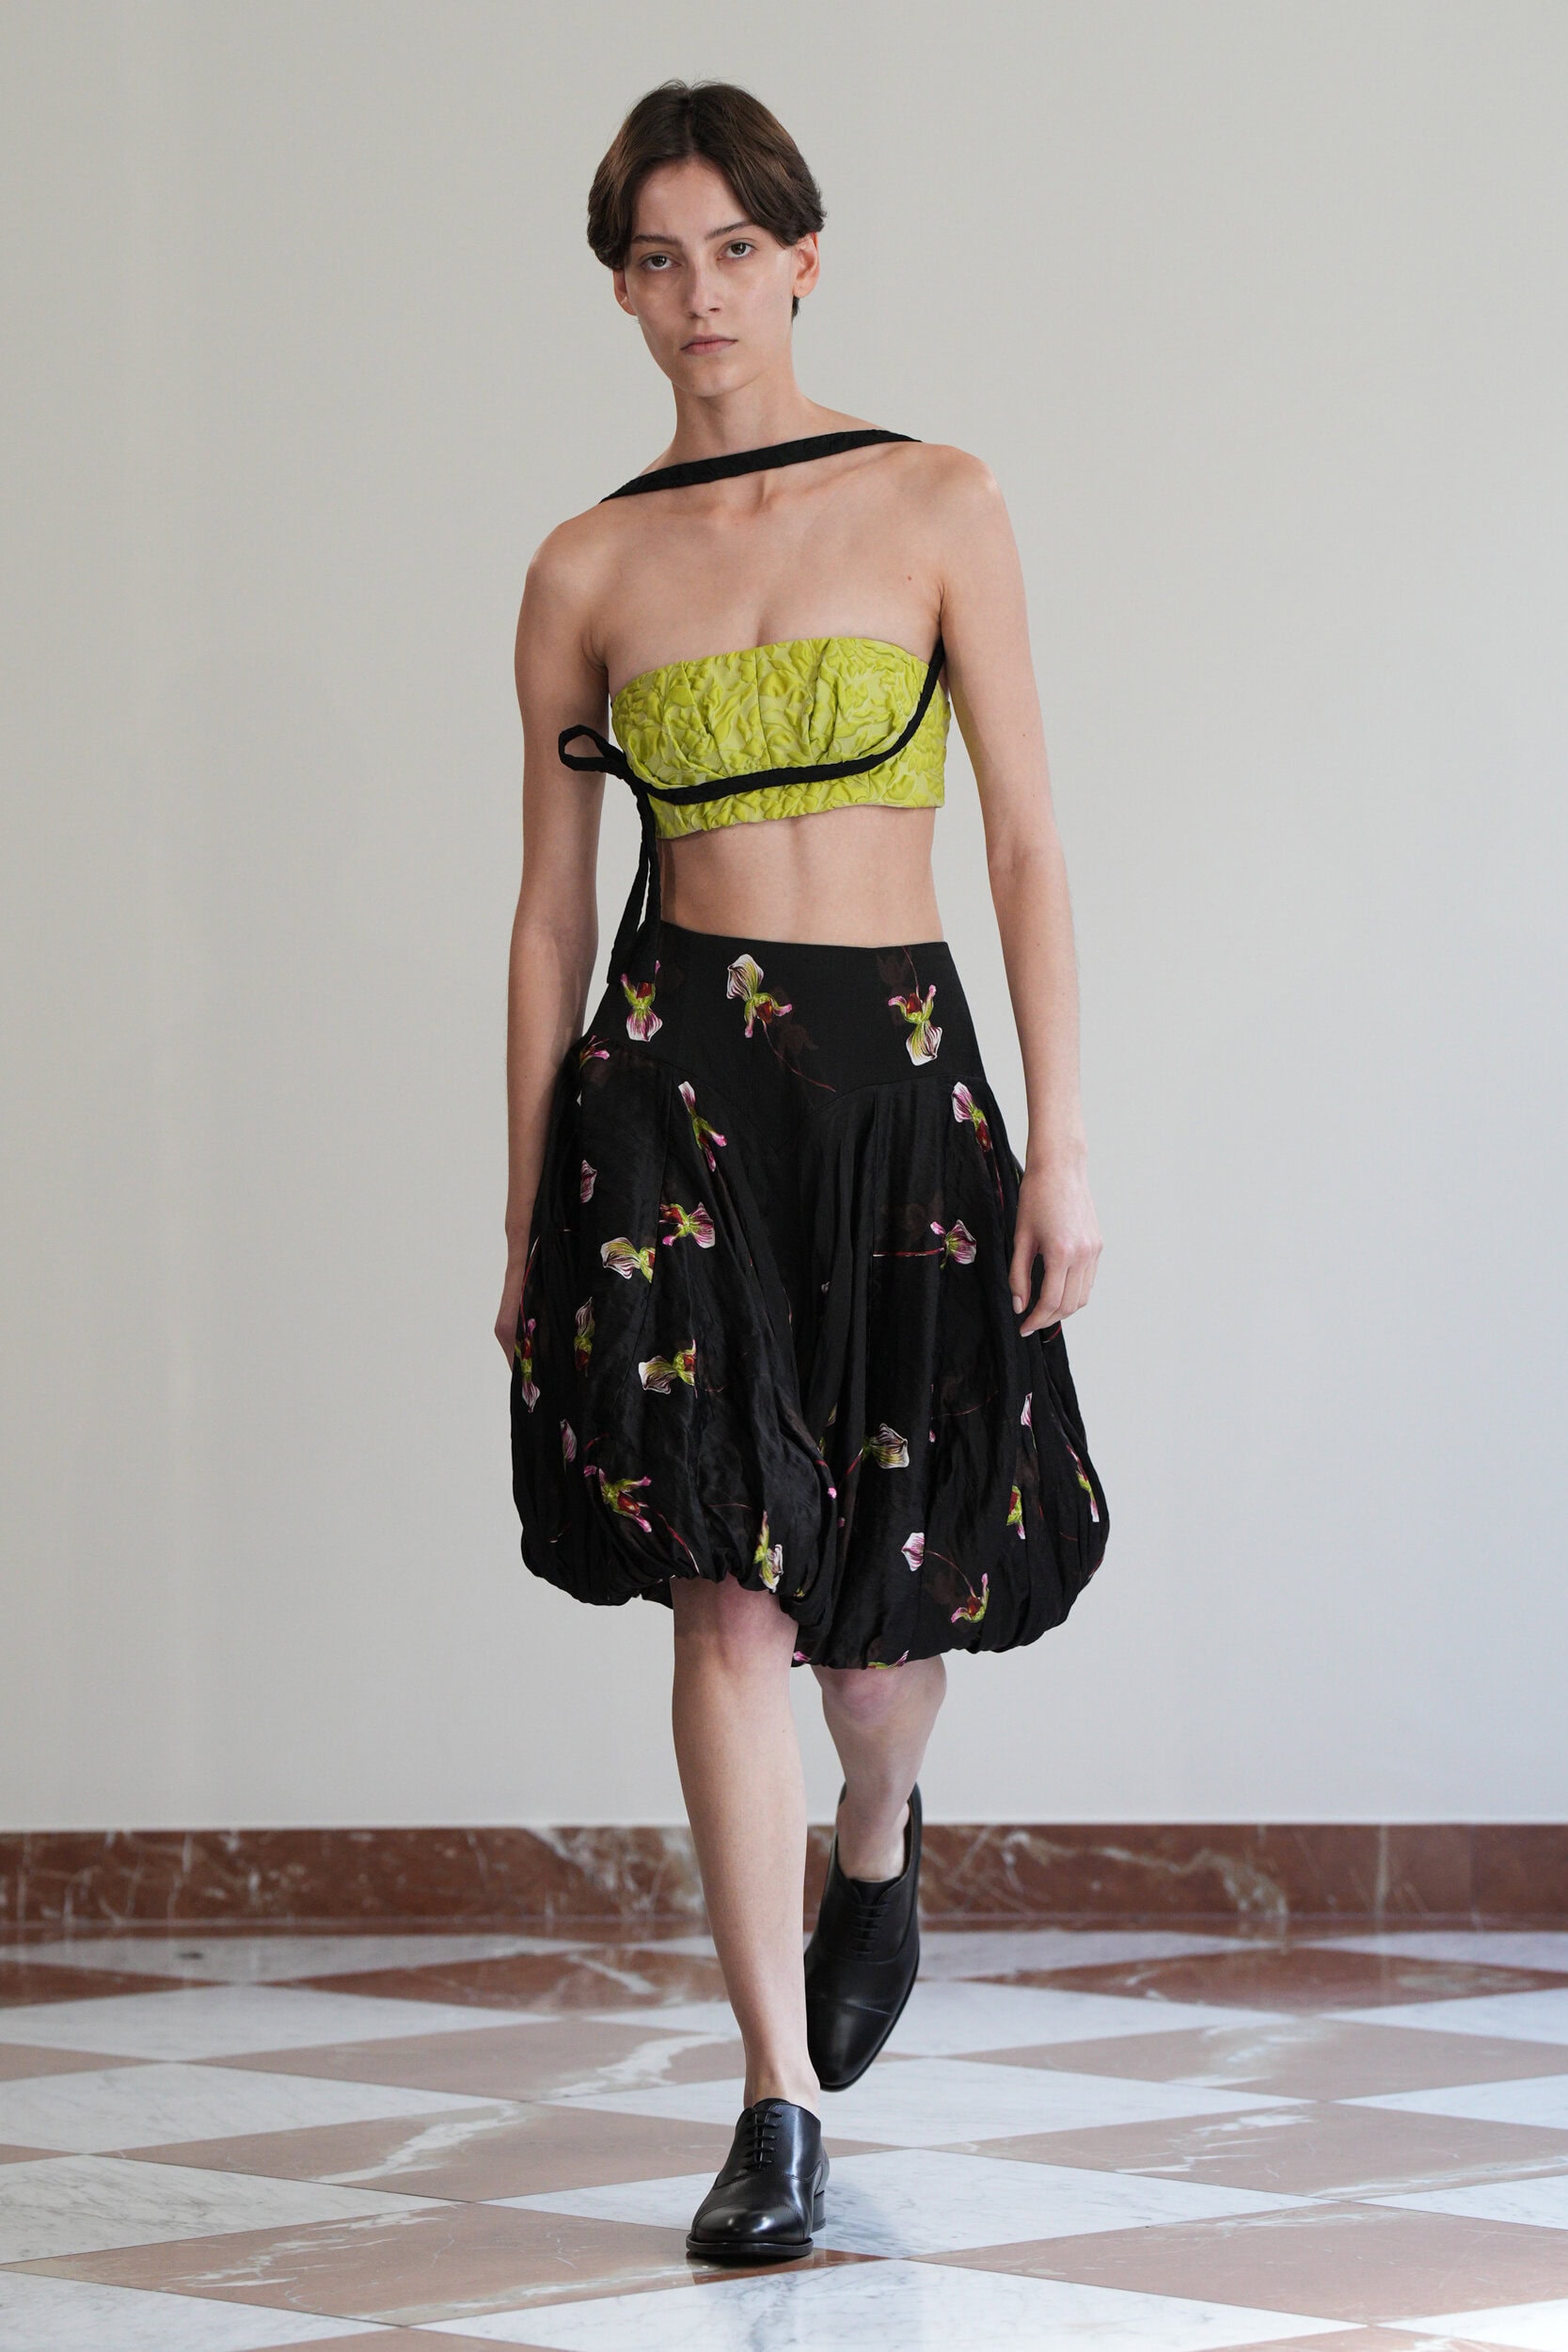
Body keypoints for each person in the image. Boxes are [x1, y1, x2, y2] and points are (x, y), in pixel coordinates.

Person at [496, 79, 1108, 2265]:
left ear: (802, 259)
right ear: (621, 288)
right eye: (656, 260)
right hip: (672, 1098)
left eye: (733, 251)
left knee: (873, 1633)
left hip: (899, 1088)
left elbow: (1024, 837)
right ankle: (773, 2095)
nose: (700, 296)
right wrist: (521, 1202)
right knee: (724, 1589)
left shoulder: (938, 496)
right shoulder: (585, 566)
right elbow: (549, 914)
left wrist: (1064, 1135)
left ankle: (880, 1823)